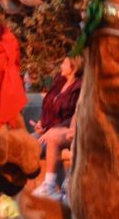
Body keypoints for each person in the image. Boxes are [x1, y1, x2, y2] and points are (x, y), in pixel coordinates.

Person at [32, 55, 84, 198]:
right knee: (26, 144)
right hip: (48, 129)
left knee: (48, 142)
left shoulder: (80, 87)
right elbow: (48, 106)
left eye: (64, 63)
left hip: (65, 130)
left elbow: (75, 114)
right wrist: (41, 123)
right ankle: (51, 187)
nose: (61, 66)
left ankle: (52, 187)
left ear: (73, 67)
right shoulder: (59, 81)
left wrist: (56, 129)